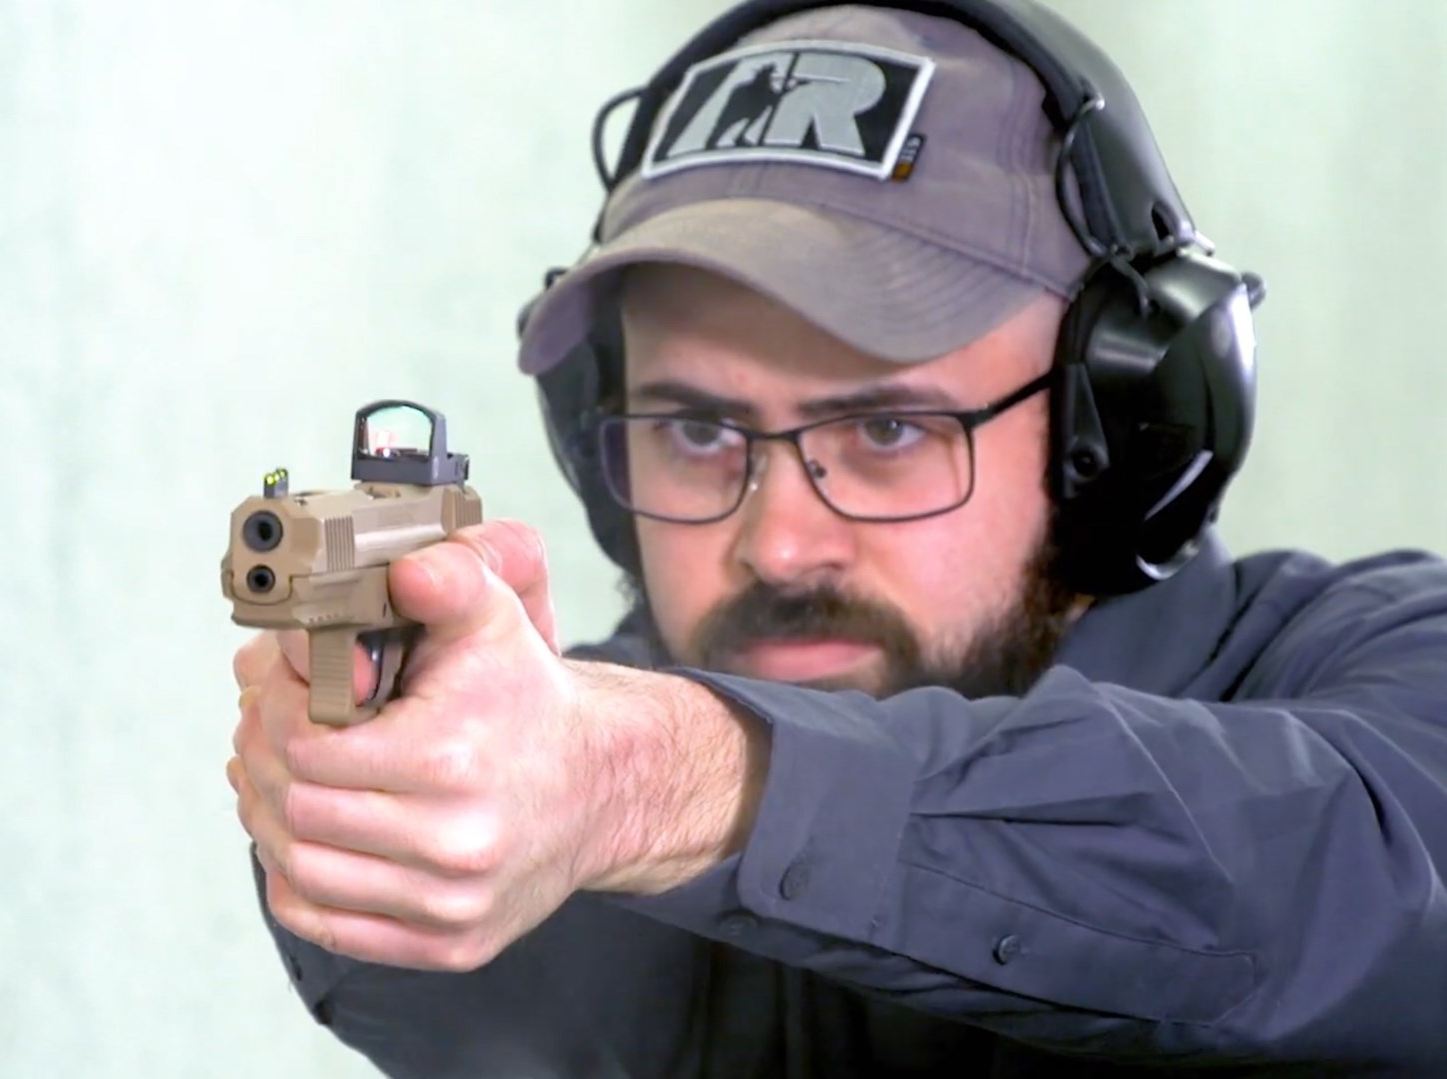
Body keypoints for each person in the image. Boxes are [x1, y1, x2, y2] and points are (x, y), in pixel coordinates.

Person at [225, 1, 1447, 1075]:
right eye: (697, 432)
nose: (781, 546)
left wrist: (658, 784)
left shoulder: (1394, 670)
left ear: (1115, 429)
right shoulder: (577, 774)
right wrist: (372, 791)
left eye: (886, 428)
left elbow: (1346, 885)